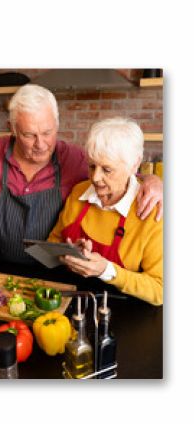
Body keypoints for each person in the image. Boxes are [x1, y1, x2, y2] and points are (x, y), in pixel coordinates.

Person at [0, 84, 163, 265]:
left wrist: (154, 181)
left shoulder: (75, 158)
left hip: (54, 274)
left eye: (48, 132)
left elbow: (121, 171)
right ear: (12, 129)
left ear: (57, 125)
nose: (41, 145)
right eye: (29, 135)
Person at [48, 117, 163, 306]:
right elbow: (53, 241)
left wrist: (107, 271)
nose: (95, 177)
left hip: (125, 313)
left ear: (134, 165)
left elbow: (160, 290)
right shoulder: (78, 192)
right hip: (70, 302)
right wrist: (69, 254)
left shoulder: (153, 210)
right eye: (92, 166)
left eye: (107, 169)